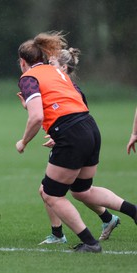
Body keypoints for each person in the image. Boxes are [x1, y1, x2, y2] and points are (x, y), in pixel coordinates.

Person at [15, 31, 137, 253]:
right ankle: (133, 211)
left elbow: (36, 117)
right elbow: (66, 100)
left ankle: (90, 243)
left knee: (51, 194)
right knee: (82, 190)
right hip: (89, 126)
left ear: (23, 62)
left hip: (70, 133)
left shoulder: (28, 78)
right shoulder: (56, 71)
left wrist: (23, 141)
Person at [31, 48, 119, 245]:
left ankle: (59, 234)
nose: (47, 68)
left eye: (51, 64)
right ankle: (107, 219)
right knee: (76, 190)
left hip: (72, 141)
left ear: (63, 67)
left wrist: (61, 135)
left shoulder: (70, 88)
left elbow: (77, 117)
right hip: (68, 139)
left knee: (52, 190)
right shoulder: (59, 85)